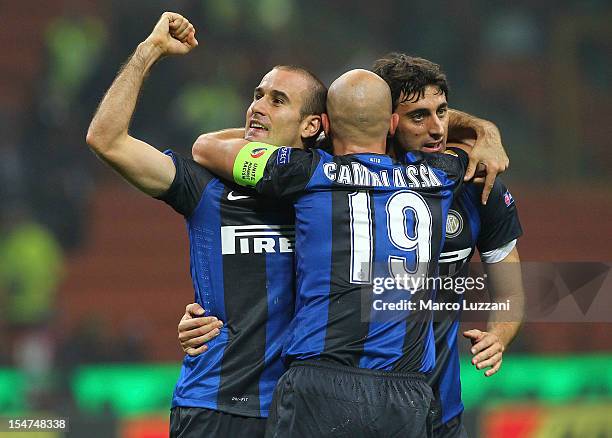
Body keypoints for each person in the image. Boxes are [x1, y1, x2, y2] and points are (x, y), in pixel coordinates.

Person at [85, 12, 327, 437]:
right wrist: (149, 51)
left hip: (300, 410)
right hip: (214, 405)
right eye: (257, 95)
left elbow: (396, 127)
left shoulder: (332, 186)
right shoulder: (206, 184)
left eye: (277, 100)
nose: (257, 105)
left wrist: (487, 135)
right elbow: (106, 139)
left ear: (312, 125)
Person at [191, 68, 470, 437]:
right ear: (391, 123)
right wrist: (488, 134)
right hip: (406, 391)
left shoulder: (305, 172)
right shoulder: (443, 174)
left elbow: (204, 147)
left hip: (321, 384)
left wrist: (317, 135)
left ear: (324, 123)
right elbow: (464, 143)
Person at [372, 52, 524, 437]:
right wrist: (484, 131)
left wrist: (498, 335)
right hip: (361, 404)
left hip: (440, 406)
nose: (437, 128)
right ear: (385, 121)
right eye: (419, 116)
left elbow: (510, 293)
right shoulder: (342, 175)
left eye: (442, 111)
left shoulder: (479, 186)